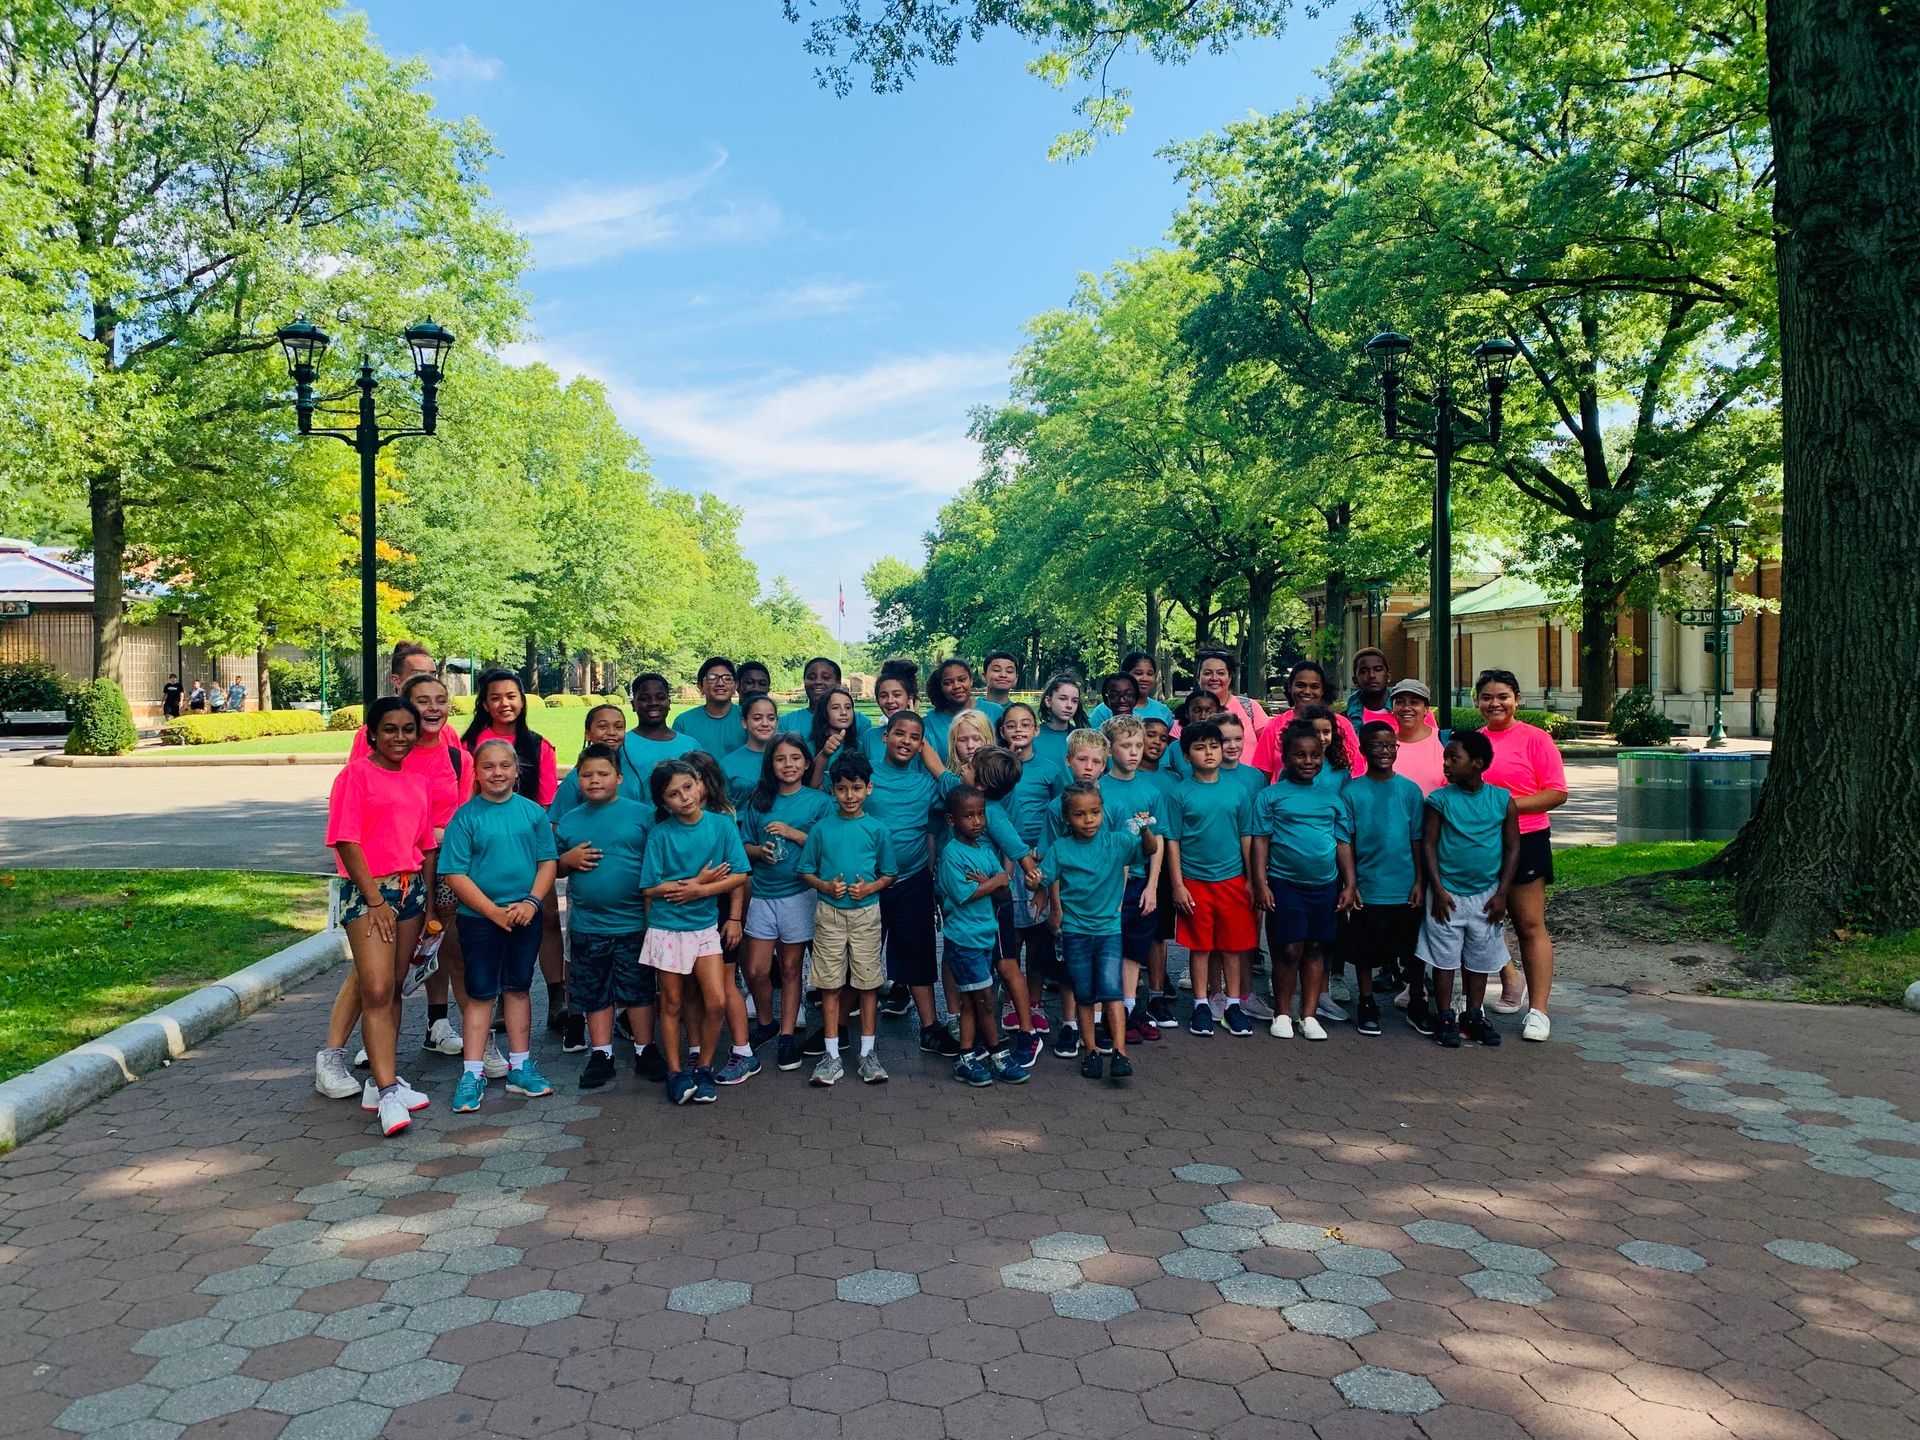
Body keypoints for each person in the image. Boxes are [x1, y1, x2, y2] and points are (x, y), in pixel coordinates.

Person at [318, 697, 439, 1135]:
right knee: (375, 986)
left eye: (409, 729)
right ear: (371, 732)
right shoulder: (354, 776)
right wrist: (374, 901)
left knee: (395, 992)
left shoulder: (418, 781)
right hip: (370, 892)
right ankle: (387, 1092)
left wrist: (426, 906)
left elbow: (425, 845)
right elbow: (346, 841)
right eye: (390, 729)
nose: (400, 738)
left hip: (411, 891)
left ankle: (384, 1081)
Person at [439, 737, 558, 1112]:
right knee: (480, 994)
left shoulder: (532, 814)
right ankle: (472, 1072)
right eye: (488, 766)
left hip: (525, 916)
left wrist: (532, 902)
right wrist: (492, 911)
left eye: (504, 766)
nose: (497, 773)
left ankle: (520, 1065)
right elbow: (455, 874)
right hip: (480, 920)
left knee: (518, 988)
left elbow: (547, 863)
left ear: (516, 771)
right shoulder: (466, 817)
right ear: (476, 772)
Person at [639, 759, 753, 1104]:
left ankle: (703, 1067)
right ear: (664, 803)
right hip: (667, 929)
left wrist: (701, 891)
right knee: (671, 1002)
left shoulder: (722, 826)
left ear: (699, 784)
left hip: (704, 927)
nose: (684, 797)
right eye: (673, 794)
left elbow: (740, 873)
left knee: (716, 999)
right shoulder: (660, 834)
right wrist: (697, 881)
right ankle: (676, 1072)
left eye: (688, 787)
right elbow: (649, 887)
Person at [462, 669, 566, 1033]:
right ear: (484, 703)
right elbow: (465, 800)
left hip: (530, 844)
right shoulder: (468, 744)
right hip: (484, 847)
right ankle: (501, 1000)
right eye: (495, 697)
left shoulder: (538, 745)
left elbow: (547, 802)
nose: (504, 703)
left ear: (522, 700)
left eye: (511, 696)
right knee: (492, 921)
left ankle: (558, 997)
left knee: (546, 917)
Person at [1037, 781, 1160, 1084]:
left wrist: (1145, 830)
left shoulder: (1116, 842)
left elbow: (1150, 849)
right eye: (1080, 814)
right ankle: (1090, 1050)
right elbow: (1043, 880)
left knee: (1111, 992)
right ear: (1067, 818)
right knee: (1084, 993)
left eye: (1094, 812)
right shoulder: (1060, 849)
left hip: (1108, 931)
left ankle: (1120, 1051)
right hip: (1075, 932)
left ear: (1103, 812)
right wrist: (1033, 882)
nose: (1089, 820)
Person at [553, 744, 654, 1091]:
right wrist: (566, 860)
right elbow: (550, 868)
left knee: (638, 990)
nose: (594, 780)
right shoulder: (570, 821)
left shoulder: (643, 816)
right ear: (577, 779)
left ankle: (645, 1049)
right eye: (586, 775)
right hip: (588, 925)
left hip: (633, 923)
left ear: (619, 778)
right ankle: (601, 1053)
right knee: (595, 991)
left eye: (602, 774)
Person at [1474, 669, 1567, 1041]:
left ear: (1517, 699)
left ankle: (1539, 1011)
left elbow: (1556, 792)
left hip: (1527, 839)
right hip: (1479, 845)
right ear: (1477, 701)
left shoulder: (1536, 738)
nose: (1495, 704)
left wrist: (1507, 806)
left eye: (1502, 696)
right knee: (1480, 924)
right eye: (1486, 697)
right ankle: (1477, 1002)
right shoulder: (1474, 741)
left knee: (1529, 925)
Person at [865, 711, 964, 1053]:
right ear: (885, 736)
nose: (905, 741)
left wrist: (933, 762)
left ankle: (929, 1026)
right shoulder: (868, 776)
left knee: (919, 952)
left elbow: (960, 794)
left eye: (914, 737)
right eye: (899, 733)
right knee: (860, 953)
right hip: (868, 882)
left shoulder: (926, 784)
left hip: (912, 878)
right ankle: (845, 1029)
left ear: (922, 744)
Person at [797, 750, 896, 1087]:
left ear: (869, 788)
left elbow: (889, 874)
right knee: (829, 984)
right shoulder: (822, 830)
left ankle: (868, 1053)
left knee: (868, 983)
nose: (849, 796)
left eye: (856, 788)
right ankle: (832, 1056)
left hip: (867, 913)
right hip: (830, 914)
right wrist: (825, 885)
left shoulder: (878, 829)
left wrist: (870, 887)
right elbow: (806, 870)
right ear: (832, 789)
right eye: (842, 789)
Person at [1419, 730, 1520, 1049]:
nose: (1445, 764)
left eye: (1453, 758)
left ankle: (1474, 1015)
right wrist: (1437, 889)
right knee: (1444, 958)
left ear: (1477, 763)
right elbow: (1429, 845)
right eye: (1444, 757)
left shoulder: (1502, 800)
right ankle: (1446, 1015)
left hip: (1487, 895)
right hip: (1447, 894)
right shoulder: (1439, 800)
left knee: (1479, 958)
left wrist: (1502, 892)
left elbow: (1512, 848)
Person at [740, 734, 831, 1071]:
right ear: (771, 765)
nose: (788, 765)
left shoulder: (818, 802)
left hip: (799, 894)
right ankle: (767, 1022)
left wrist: (793, 834)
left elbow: (826, 846)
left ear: (807, 763)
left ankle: (788, 1035)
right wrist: (758, 852)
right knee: (755, 968)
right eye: (780, 759)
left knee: (792, 968)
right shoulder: (759, 801)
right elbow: (744, 844)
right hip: (763, 893)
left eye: (795, 758)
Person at [1164, 720, 1258, 1038]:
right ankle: (1201, 1004)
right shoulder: (1179, 793)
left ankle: (1232, 1004)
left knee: (1233, 946)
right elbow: (1173, 840)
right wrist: (1177, 884)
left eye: (1214, 746)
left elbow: (1246, 835)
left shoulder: (1238, 791)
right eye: (1200, 747)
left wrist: (1249, 877)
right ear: (1187, 755)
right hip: (1194, 881)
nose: (1209, 753)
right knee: (1200, 947)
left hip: (1232, 880)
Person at [935, 787, 1030, 1087]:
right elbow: (965, 895)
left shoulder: (985, 852)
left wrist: (992, 883)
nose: (977, 821)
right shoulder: (951, 855)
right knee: (985, 1001)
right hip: (964, 942)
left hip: (983, 937)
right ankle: (997, 1053)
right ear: (951, 820)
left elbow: (1003, 893)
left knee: (972, 1000)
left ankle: (966, 1057)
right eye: (968, 816)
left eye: (980, 814)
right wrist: (994, 881)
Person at [1343, 720, 1429, 1037]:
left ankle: (1417, 1000)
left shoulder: (1409, 790)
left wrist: (1420, 881)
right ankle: (1366, 1002)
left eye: (1391, 745)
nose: (1385, 751)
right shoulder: (1352, 791)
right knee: (1365, 951)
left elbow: (1418, 839)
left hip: (1405, 888)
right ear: (1364, 750)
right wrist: (1351, 884)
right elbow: (1347, 842)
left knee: (1413, 951)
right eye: (1377, 745)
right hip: (1368, 888)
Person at [993, 703, 1066, 1036]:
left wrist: (1046, 854)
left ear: (1037, 729)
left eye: (1026, 724)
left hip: (1040, 864)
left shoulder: (1050, 770)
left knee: (1039, 938)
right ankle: (1011, 998)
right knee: (1012, 936)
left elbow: (1061, 814)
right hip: (1004, 862)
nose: (1019, 730)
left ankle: (1034, 1002)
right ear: (1002, 731)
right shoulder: (996, 768)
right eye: (1011, 725)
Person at [1101, 716, 1169, 1043]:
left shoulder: (1151, 790)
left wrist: (1154, 886)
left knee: (1133, 950)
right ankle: (1106, 1014)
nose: (1134, 753)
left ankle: (1128, 1008)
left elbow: (1159, 842)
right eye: (1125, 746)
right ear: (1109, 748)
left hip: (1142, 883)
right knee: (1108, 949)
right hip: (1107, 886)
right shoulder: (1098, 788)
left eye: (1138, 746)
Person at [1250, 660, 1363, 778]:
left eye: (1314, 686)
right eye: (1301, 685)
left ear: (1322, 690)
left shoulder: (1341, 724)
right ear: (1290, 687)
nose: (1307, 691)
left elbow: (1357, 770)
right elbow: (1261, 776)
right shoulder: (1274, 726)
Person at [624, 673, 701, 786]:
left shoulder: (690, 745)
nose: (653, 703)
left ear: (669, 703)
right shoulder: (622, 744)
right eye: (644, 698)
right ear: (633, 705)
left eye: (660, 698)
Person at [780, 656, 872, 737]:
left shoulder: (860, 722)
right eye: (811, 678)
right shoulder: (786, 722)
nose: (818, 682)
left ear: (839, 684)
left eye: (826, 677)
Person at [720, 693, 783, 810]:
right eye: (757, 718)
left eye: (771, 718)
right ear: (745, 723)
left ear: (777, 722)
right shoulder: (727, 764)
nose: (765, 724)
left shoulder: (788, 759)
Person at [673, 657, 746, 756]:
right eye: (712, 678)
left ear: (735, 686)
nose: (720, 683)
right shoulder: (683, 722)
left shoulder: (748, 718)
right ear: (700, 686)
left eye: (727, 679)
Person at [1194, 650, 1269, 742]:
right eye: (1207, 673)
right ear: (1198, 678)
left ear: (1230, 678)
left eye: (1221, 673)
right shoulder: (1188, 711)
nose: (1214, 678)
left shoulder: (1250, 707)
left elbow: (1269, 745)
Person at [1389, 678, 1448, 795]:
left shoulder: (1445, 742)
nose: (1406, 708)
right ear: (1392, 709)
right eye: (1400, 702)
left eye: (1414, 702)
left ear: (1426, 709)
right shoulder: (1383, 746)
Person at [925, 657, 990, 758]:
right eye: (948, 683)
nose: (956, 686)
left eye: (962, 679)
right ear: (940, 686)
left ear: (971, 680)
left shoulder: (994, 711)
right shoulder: (929, 722)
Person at [1091, 651, 1175, 728]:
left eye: (1150, 674)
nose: (1145, 678)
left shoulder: (1163, 711)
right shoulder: (1104, 711)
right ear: (1125, 675)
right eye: (1138, 673)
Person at [861, 662, 920, 760]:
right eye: (883, 696)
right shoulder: (869, 737)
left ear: (910, 697)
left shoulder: (924, 736)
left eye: (897, 695)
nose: (890, 701)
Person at [806, 685, 861, 788]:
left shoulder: (860, 746)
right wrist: (824, 754)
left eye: (848, 707)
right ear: (824, 713)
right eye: (835, 708)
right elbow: (810, 784)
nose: (844, 713)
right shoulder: (810, 746)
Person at [1031, 673, 1087, 770]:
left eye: (1074, 701)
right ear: (1048, 701)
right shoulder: (1032, 735)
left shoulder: (1082, 739)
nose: (1069, 705)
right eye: (1063, 699)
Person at [1344, 649, 1395, 729]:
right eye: (1363, 671)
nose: (1371, 675)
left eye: (1378, 670)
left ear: (1388, 676)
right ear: (1355, 680)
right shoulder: (1344, 719)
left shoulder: (1407, 713)